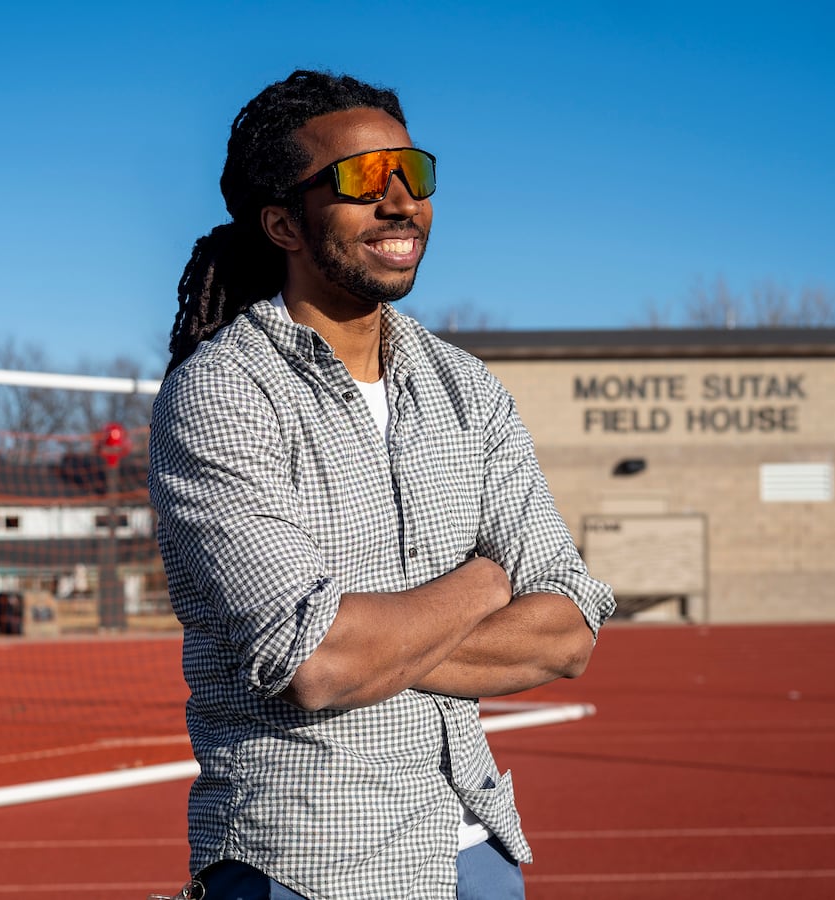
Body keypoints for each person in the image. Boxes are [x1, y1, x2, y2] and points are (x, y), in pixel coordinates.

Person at [148, 70, 616, 900]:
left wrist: (379, 643)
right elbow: (317, 660)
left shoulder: (464, 387)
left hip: (470, 846)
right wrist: (486, 582)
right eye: (365, 179)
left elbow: (568, 630)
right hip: (306, 859)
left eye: (413, 173)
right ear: (284, 223)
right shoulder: (222, 392)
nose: (400, 200)